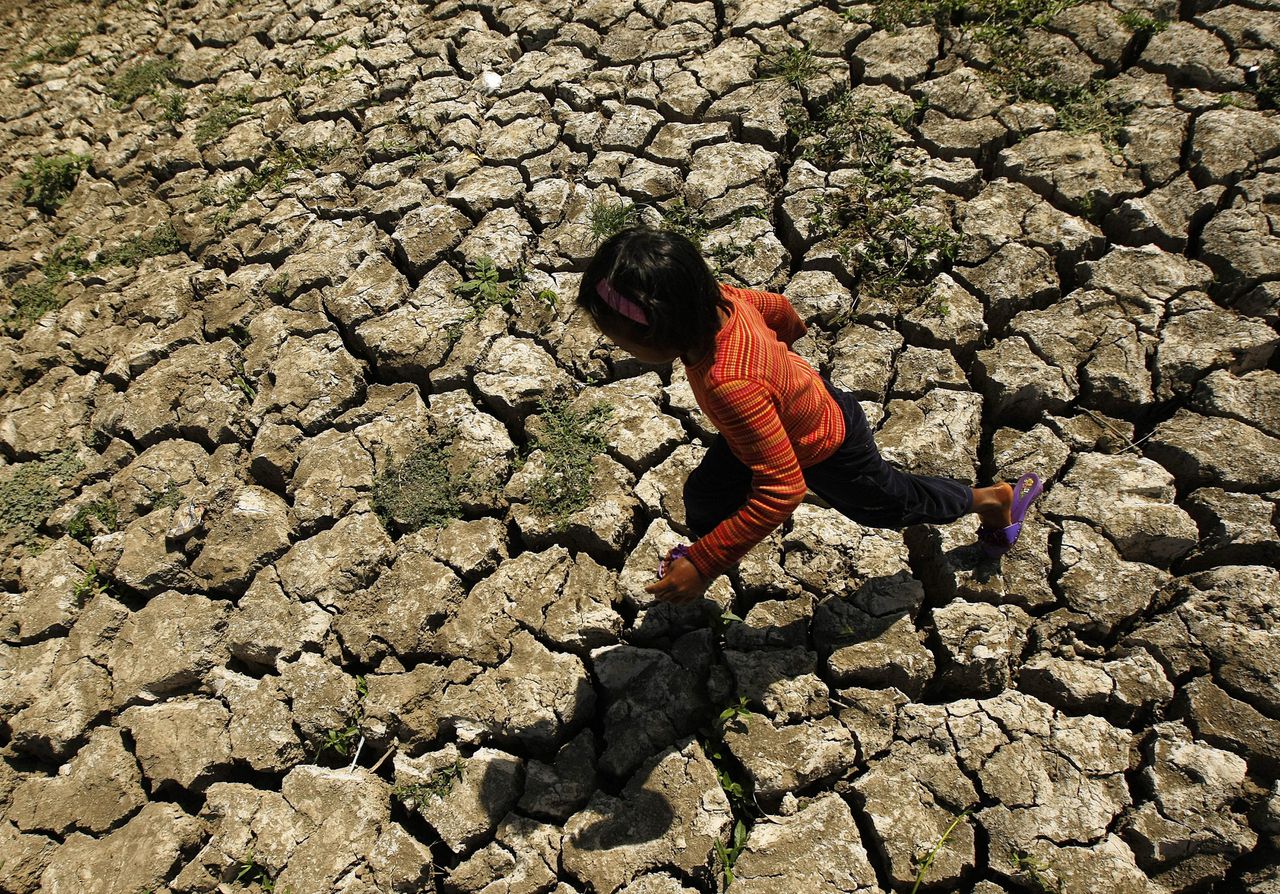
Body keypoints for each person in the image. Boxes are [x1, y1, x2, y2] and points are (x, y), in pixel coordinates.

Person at [576, 226, 1042, 605]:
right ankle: (711, 546)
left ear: (661, 332)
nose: (618, 348)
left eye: (621, 340)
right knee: (706, 495)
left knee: (892, 504)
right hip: (775, 424)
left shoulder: (729, 385)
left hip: (827, 446)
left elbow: (782, 490)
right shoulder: (721, 300)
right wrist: (783, 363)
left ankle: (991, 499)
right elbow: (779, 308)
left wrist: (706, 563)